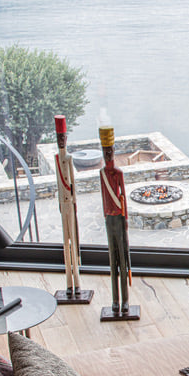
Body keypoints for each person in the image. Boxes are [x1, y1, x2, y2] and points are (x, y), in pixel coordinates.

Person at [52, 115, 91, 303]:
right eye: (59, 138)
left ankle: (77, 281)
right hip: (63, 204)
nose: (61, 141)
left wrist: (74, 202)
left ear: (66, 138)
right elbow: (59, 183)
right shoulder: (57, 159)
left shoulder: (68, 158)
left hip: (70, 203)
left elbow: (72, 182)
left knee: (73, 244)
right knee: (65, 244)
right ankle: (69, 282)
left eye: (63, 138)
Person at [98, 125, 136, 319]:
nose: (108, 154)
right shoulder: (102, 174)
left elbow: (123, 197)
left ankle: (125, 300)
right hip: (109, 219)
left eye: (110, 150)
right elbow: (104, 196)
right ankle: (115, 300)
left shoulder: (118, 173)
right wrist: (105, 215)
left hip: (120, 219)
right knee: (113, 263)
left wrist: (126, 219)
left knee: (123, 259)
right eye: (105, 151)